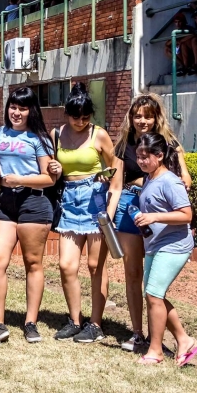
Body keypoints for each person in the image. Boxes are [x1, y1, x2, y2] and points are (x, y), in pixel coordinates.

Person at [111, 94, 192, 354]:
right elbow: (115, 183)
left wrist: (147, 184)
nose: (142, 121)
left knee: (154, 284)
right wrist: (109, 218)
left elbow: (184, 181)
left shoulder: (169, 144)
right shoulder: (124, 144)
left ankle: (158, 340)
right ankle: (138, 334)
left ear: (157, 117)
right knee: (134, 274)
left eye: (147, 115)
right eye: (137, 116)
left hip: (161, 215)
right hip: (131, 209)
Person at [48, 83, 121, 343]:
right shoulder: (56, 134)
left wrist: (110, 204)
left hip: (95, 199)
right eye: (76, 116)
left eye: (86, 117)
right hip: (69, 199)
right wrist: (54, 169)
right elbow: (51, 170)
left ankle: (96, 324)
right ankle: (75, 320)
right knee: (66, 265)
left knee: (94, 266)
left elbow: (117, 167)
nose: (80, 121)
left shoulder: (99, 135)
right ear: (67, 113)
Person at [0, 87, 56, 344]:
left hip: (33, 202)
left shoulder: (37, 138)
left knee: (33, 263)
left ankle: (30, 322)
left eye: (23, 108)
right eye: (13, 107)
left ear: (31, 111)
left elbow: (49, 177)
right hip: (6, 204)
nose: (16, 112)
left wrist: (20, 179)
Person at [131, 133, 197, 366]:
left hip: (174, 245)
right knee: (153, 295)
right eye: (138, 156)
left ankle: (156, 350)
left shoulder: (170, 181)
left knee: (153, 295)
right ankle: (184, 340)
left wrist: (153, 217)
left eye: (145, 157)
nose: (141, 161)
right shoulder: (149, 177)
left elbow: (186, 214)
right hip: (155, 244)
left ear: (159, 156)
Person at [163, 12, 197, 76]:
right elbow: (167, 44)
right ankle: (183, 66)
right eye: (176, 22)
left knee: (184, 43)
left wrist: (181, 41)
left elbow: (194, 34)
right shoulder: (176, 32)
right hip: (183, 54)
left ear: (183, 21)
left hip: (192, 53)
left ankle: (196, 64)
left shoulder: (188, 28)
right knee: (167, 49)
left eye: (179, 22)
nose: (178, 24)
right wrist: (176, 41)